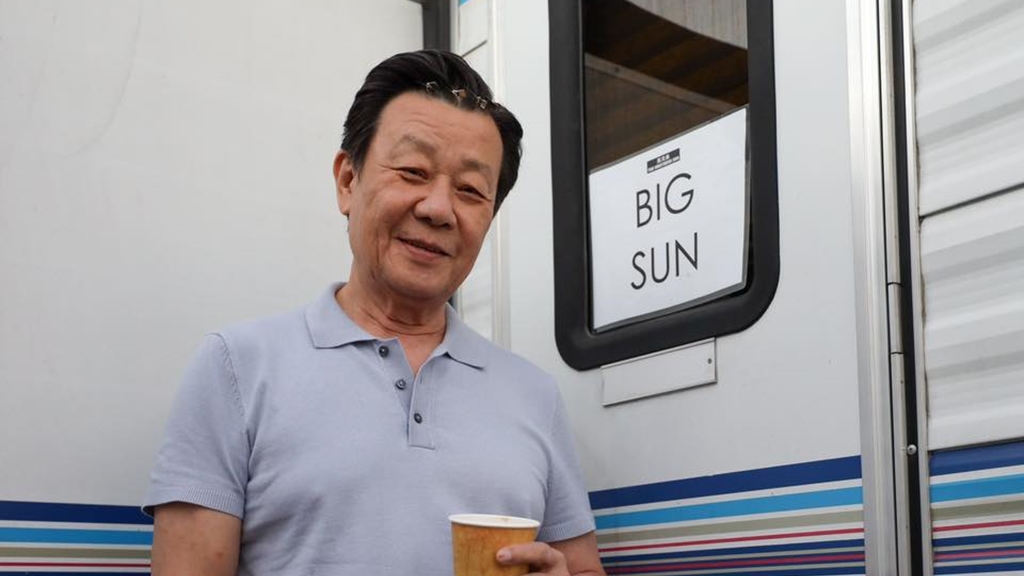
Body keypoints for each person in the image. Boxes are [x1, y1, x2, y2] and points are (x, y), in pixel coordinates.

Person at [144, 50, 605, 576]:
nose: (438, 209)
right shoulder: (236, 367)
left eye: (470, 191)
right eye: (413, 171)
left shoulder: (535, 396)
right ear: (347, 180)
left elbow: (582, 568)